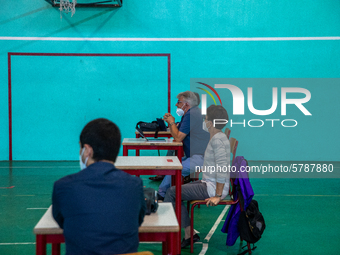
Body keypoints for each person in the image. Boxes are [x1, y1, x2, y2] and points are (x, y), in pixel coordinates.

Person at [52, 118, 146, 255]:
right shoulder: (134, 185)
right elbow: (137, 220)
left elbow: (62, 222)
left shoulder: (63, 187)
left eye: (81, 147)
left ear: (87, 150)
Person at [164, 105, 231, 248]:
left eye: (206, 119)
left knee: (171, 192)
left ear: (211, 123)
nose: (204, 121)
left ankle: (186, 235)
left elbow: (222, 169)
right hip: (208, 182)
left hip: (212, 189)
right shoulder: (217, 137)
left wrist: (218, 196)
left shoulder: (217, 141)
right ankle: (189, 233)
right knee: (175, 190)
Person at [158, 91, 210, 199]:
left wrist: (171, 122)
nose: (176, 104)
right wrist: (172, 123)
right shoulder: (192, 113)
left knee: (175, 169)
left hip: (201, 157)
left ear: (186, 104)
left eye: (178, 102)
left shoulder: (191, 115)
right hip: (196, 154)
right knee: (173, 164)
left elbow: (178, 138)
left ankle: (161, 195)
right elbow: (177, 133)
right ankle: (163, 193)